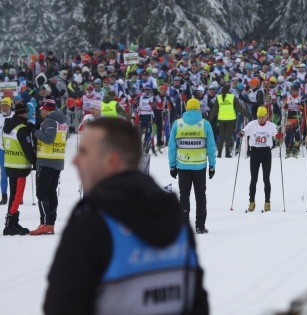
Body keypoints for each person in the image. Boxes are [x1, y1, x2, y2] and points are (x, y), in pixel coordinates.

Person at [44, 118, 209, 314]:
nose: (75, 160)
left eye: (84, 152)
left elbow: (61, 307)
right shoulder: (175, 220)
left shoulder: (92, 225)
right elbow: (197, 304)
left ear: (111, 161)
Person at [168, 98, 216, 234]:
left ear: (187, 108)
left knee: (184, 196)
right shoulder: (205, 124)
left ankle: (184, 226)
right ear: (199, 109)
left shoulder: (178, 124)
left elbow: (172, 146)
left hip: (183, 165)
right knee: (200, 196)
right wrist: (212, 165)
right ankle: (200, 226)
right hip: (200, 166)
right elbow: (211, 147)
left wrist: (172, 166)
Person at [31, 98, 68, 235]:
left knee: (42, 193)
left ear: (47, 110)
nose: (41, 112)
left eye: (42, 110)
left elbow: (48, 139)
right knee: (51, 193)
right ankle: (50, 224)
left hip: (46, 160)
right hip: (57, 160)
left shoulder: (50, 120)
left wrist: (35, 131)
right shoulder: (62, 121)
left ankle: (45, 223)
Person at [2, 102, 36, 235]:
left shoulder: (7, 126)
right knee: (17, 196)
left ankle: (13, 222)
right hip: (20, 166)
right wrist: (35, 162)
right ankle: (10, 224)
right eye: (26, 113)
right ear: (23, 113)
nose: (28, 115)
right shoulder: (22, 129)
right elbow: (27, 148)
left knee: (13, 195)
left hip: (10, 164)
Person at [240, 106, 282, 212]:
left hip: (266, 153)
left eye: (262, 117)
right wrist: (241, 133)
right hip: (254, 152)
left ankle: (267, 202)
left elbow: (277, 134)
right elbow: (244, 131)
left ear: (266, 116)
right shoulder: (252, 124)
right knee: (253, 178)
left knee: (266, 179)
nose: (260, 119)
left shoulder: (271, 125)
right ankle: (251, 202)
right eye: (259, 117)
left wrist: (279, 135)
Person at [210, 84, 245, 158]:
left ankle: (219, 153)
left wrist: (210, 118)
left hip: (221, 119)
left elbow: (215, 109)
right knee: (228, 137)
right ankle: (227, 153)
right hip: (230, 119)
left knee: (221, 137)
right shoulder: (232, 97)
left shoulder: (219, 97)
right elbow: (237, 107)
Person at [0, 97, 13, 204]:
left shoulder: (15, 117)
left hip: (13, 149)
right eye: (2, 106)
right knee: (4, 174)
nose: (3, 108)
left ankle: (17, 196)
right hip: (1, 149)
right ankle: (4, 196)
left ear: (10, 106)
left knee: (15, 173)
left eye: (5, 105)